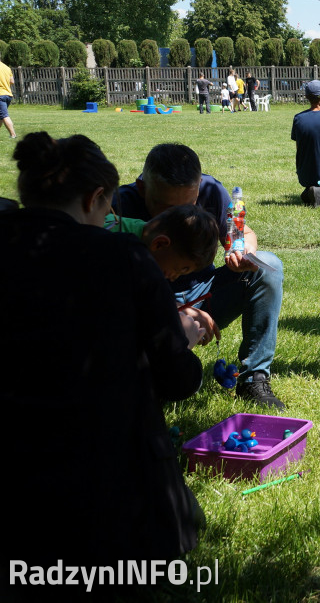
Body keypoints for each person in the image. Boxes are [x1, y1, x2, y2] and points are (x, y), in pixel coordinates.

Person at [1, 133, 204, 591]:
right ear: (95, 198)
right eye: (108, 210)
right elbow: (176, 380)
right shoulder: (125, 258)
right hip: (103, 501)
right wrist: (184, 338)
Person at [114, 143, 286, 409]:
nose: (183, 217)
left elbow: (244, 233)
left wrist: (242, 249)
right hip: (147, 304)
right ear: (142, 189)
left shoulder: (210, 190)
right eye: (170, 209)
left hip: (202, 293)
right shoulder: (118, 209)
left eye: (191, 205)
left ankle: (254, 378)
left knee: (266, 265)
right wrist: (175, 312)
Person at [105, 204, 220, 282]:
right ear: (159, 244)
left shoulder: (139, 230)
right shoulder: (118, 249)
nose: (173, 278)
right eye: (177, 269)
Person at [292, 80, 320, 207]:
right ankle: (318, 191)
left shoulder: (298, 118)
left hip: (305, 174)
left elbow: (298, 146)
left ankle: (311, 190)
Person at [0, 54, 15, 138]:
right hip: (8, 95)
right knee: (1, 116)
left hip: (0, 95)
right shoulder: (7, 68)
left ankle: (13, 134)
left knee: (4, 115)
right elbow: (12, 81)